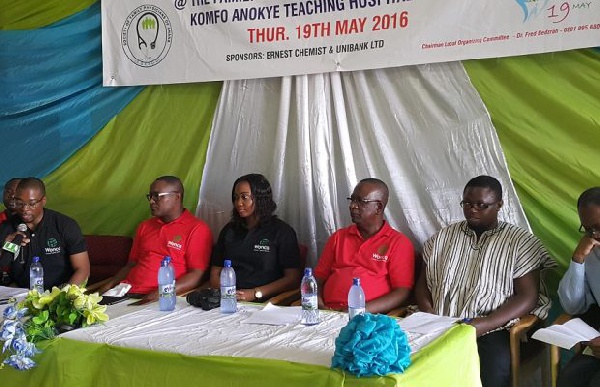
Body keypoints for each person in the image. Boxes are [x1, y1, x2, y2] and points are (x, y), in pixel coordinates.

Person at [415, 175, 555, 387]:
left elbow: (528, 296)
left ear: (499, 205)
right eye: (468, 204)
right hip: (440, 321)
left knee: (493, 372)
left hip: (492, 327)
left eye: (482, 205)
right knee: (413, 364)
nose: (473, 210)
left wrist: (487, 323)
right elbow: (423, 285)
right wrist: (430, 315)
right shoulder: (443, 238)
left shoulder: (519, 242)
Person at [100, 176, 212, 300]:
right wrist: (111, 284)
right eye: (150, 196)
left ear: (177, 197)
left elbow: (197, 274)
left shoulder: (197, 229)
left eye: (157, 196)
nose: (151, 201)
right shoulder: (145, 226)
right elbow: (131, 264)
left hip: (161, 298)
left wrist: (160, 293)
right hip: (125, 291)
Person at [314, 178, 415, 314]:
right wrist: (318, 303)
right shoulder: (338, 237)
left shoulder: (398, 243)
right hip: (327, 312)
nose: (352, 206)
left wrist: (359, 311)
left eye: (360, 201)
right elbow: (318, 278)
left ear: (378, 207)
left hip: (368, 316)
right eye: (352, 200)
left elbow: (402, 292)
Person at [209, 173, 302, 302]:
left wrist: (255, 293)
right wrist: (224, 293)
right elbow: (216, 271)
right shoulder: (229, 230)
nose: (238, 203)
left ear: (260, 198)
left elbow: (293, 279)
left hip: (264, 301)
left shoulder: (282, 232)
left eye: (244, 197)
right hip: (227, 299)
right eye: (236, 198)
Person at [0, 177, 90, 289]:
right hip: (22, 295)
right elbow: (3, 264)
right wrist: (5, 246)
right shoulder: (7, 228)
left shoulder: (64, 225)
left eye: (32, 204)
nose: (25, 209)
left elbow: (82, 269)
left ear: (43, 201)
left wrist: (62, 297)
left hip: (60, 294)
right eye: (20, 203)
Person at [557, 187, 600, 387]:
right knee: (570, 380)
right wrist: (578, 259)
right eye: (588, 229)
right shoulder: (592, 252)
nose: (594, 235)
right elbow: (572, 306)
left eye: (598, 227)